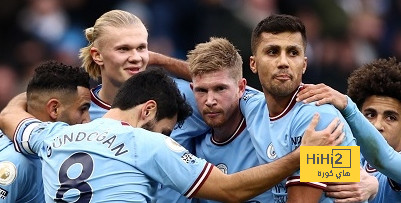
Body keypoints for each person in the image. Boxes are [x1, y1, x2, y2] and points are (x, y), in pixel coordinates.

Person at [0, 68, 344, 202]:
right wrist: (303, 157)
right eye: (202, 90)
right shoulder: (150, 143)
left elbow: (11, 116)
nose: (210, 101)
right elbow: (231, 190)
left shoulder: (54, 136)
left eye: (291, 53)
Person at [241, 14, 363, 202]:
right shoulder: (254, 105)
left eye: (293, 53)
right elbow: (213, 82)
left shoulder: (320, 116)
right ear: (253, 64)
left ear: (304, 65)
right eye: (273, 52)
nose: (283, 62)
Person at [297, 57, 401, 202]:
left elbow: (385, 159)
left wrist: (348, 106)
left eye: (390, 117)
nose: (377, 125)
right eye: (370, 115)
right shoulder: (349, 158)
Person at [0, 60, 91, 202]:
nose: (87, 120)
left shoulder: (53, 151)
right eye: (83, 109)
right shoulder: (15, 162)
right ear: (54, 109)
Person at [79, 9, 191, 121]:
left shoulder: (177, 96)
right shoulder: (79, 110)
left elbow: (207, 79)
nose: (136, 58)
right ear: (97, 56)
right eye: (123, 49)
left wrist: (161, 60)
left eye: (141, 48)